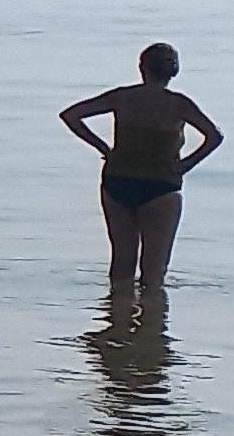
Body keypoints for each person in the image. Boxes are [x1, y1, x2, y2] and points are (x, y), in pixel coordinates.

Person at [60, 43, 221, 289]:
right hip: (161, 186)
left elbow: (71, 115)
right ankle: (150, 323)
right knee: (153, 273)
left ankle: (117, 318)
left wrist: (104, 149)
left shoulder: (122, 97)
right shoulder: (179, 104)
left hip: (118, 181)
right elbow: (214, 136)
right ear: (174, 71)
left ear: (141, 68)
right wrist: (185, 165)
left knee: (121, 263)